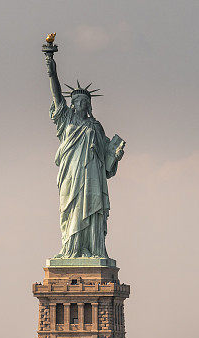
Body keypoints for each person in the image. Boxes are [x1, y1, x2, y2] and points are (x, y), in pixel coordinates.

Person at [45, 52, 125, 258]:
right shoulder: (66, 121)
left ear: (89, 105)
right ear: (71, 104)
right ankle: (71, 250)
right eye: (76, 100)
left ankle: (94, 249)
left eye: (83, 101)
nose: (79, 103)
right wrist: (51, 70)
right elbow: (56, 95)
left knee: (92, 210)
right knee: (70, 211)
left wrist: (115, 155)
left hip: (92, 177)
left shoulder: (96, 126)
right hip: (71, 175)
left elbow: (106, 162)